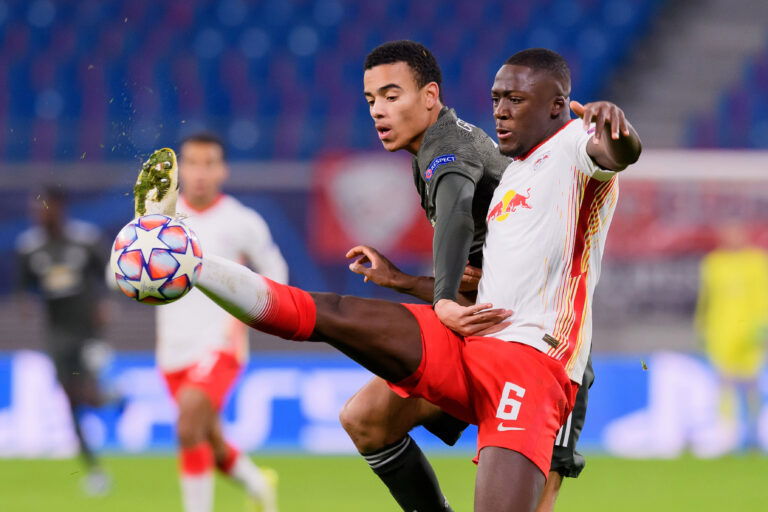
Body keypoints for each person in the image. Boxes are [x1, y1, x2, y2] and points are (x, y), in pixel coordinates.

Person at [132, 48, 640, 511]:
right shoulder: (513, 177)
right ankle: (192, 262)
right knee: (363, 407)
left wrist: (617, 134)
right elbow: (487, 286)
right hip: (474, 335)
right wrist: (404, 283)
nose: (502, 110)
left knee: (533, 496)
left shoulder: (571, 145)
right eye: (497, 98)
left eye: (516, 99)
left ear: (557, 106)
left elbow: (609, 158)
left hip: (535, 361)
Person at [341, 41, 593, 512]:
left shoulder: (448, 147)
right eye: (371, 100)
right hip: (483, 329)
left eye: (391, 96)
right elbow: (481, 279)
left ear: (430, 95)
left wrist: (440, 299)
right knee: (367, 419)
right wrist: (403, 281)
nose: (378, 110)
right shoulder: (432, 150)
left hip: (546, 350)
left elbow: (456, 213)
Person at [156, 133, 287, 512]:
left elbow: (277, 276)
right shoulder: (159, 221)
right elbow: (116, 275)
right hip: (171, 349)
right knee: (208, 440)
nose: (199, 172)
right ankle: (259, 485)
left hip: (220, 344)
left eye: (209, 163)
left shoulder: (242, 221)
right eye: (192, 163)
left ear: (223, 170)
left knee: (187, 428)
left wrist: (246, 316)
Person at [15, 186, 112, 495]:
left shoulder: (85, 240)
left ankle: (113, 399)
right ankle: (94, 469)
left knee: (87, 393)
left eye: (45, 206)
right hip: (57, 335)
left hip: (88, 333)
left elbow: (109, 275)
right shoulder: (29, 248)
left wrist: (105, 304)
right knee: (71, 402)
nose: (40, 212)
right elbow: (25, 287)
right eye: (36, 207)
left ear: (59, 207)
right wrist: (27, 304)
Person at [695, 222, 768, 449]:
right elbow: (706, 299)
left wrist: (763, 326)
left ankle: (754, 432)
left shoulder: (757, 261)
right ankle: (727, 435)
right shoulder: (713, 263)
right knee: (724, 384)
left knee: (751, 384)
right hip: (722, 331)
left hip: (751, 331)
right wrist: (701, 325)